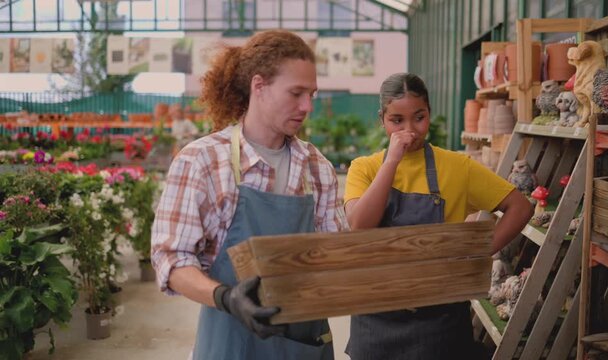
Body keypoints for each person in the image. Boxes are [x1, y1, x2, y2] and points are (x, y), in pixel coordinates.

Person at [151, 30, 348, 360]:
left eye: (312, 94)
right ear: (259, 86)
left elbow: (335, 258)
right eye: (296, 93)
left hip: (305, 344)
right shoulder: (202, 162)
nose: (307, 106)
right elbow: (171, 260)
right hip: (230, 341)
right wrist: (226, 298)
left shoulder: (317, 169)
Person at [343, 73, 533, 360]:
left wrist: (477, 253)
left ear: (429, 113)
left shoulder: (458, 167)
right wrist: (392, 160)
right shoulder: (365, 168)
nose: (410, 130)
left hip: (440, 321)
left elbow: (520, 207)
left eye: (418, 118)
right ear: (382, 119)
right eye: (397, 121)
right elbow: (359, 226)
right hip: (375, 320)